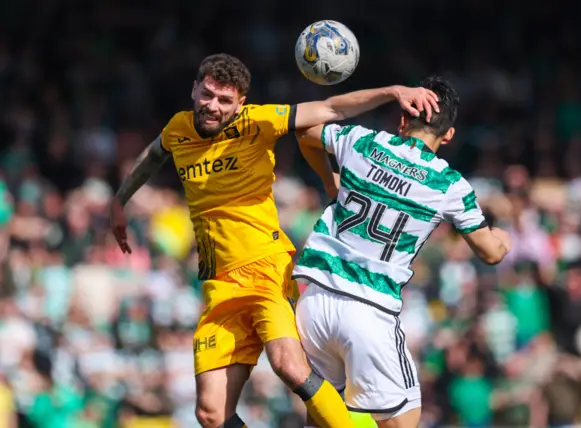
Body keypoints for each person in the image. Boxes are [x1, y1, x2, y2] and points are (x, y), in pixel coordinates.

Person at [109, 53, 440, 428]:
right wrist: (119, 201)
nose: (213, 106)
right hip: (218, 285)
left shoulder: (258, 122)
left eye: (224, 100)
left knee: (288, 365)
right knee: (211, 415)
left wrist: (392, 91)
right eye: (208, 95)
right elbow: (154, 156)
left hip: (265, 269)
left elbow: (331, 108)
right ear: (195, 89)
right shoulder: (178, 129)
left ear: (241, 104)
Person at [294, 76, 512, 428]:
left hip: (314, 302)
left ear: (402, 120)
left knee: (324, 419)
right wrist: (503, 237)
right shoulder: (449, 184)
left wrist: (328, 180)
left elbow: (305, 129)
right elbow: (490, 253)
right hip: (368, 310)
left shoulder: (363, 141)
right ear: (449, 135)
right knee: (402, 421)